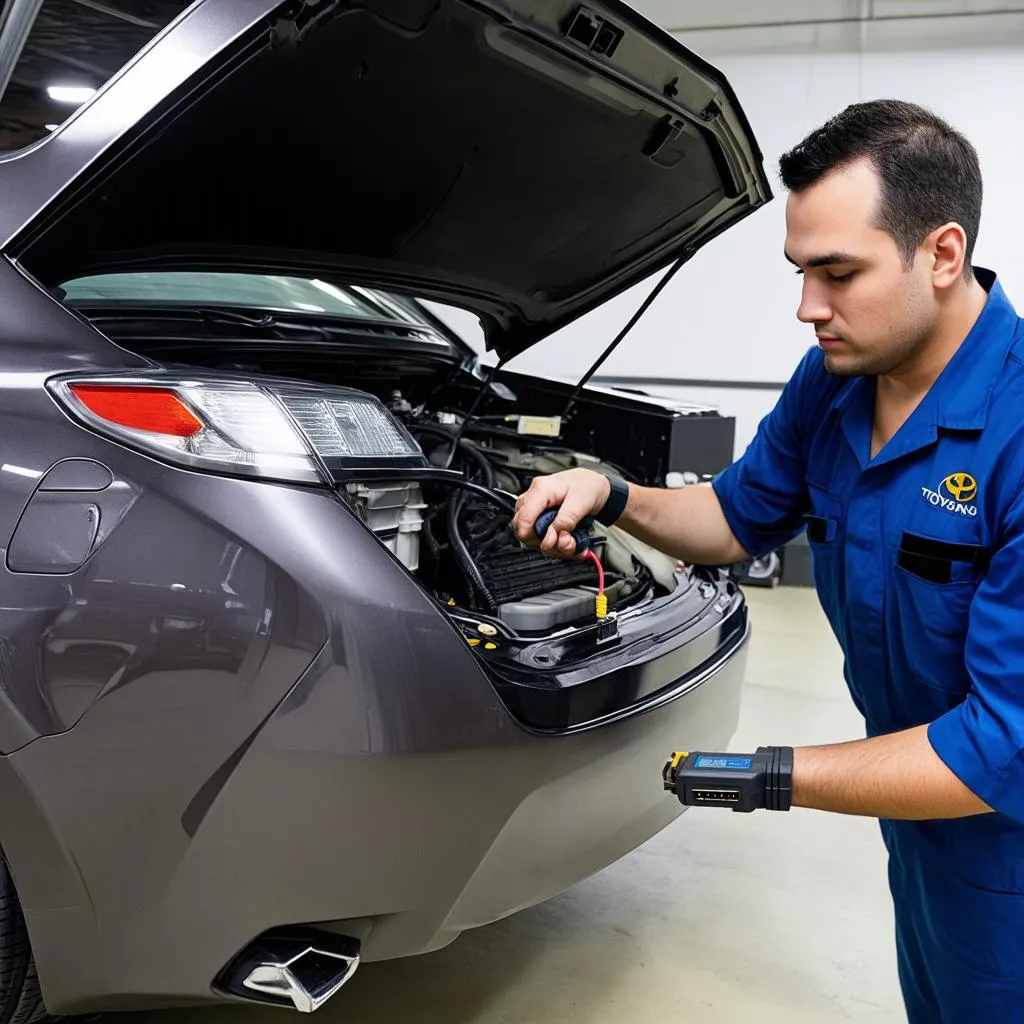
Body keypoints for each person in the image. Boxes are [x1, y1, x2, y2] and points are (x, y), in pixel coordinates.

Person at [511, 99, 1024, 1022]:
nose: (806, 308)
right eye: (800, 272)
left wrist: (768, 775)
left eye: (837, 272)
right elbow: (737, 515)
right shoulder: (835, 383)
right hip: (919, 811)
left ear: (942, 255)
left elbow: (1002, 746)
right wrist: (612, 494)